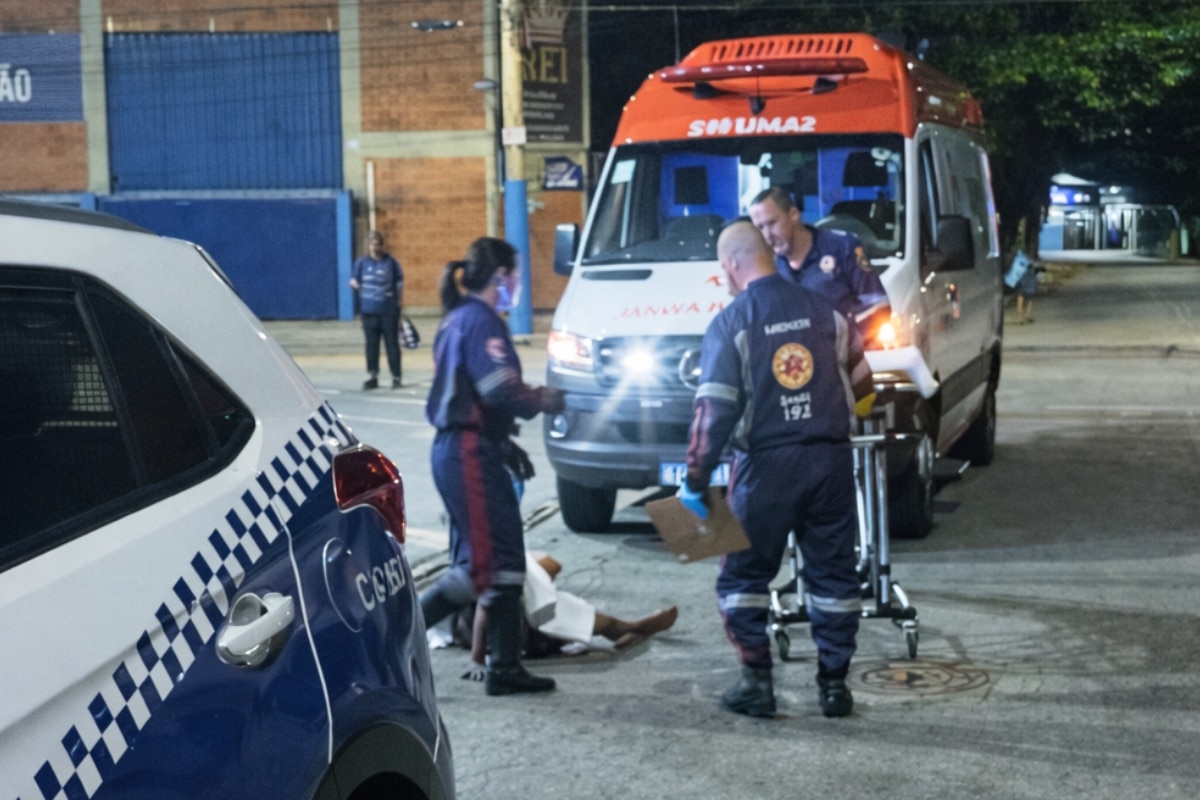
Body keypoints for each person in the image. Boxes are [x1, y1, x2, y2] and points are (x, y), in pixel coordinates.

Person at [677, 221, 875, 719]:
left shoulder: (732, 323)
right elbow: (865, 386)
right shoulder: (826, 310)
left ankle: (757, 682)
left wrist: (695, 481)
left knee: (743, 576)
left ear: (730, 265)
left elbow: (713, 414)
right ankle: (834, 687)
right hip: (830, 461)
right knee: (833, 575)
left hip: (766, 468)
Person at [419, 237, 566, 696]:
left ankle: (505, 667)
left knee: (502, 564)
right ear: (501, 277)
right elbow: (501, 389)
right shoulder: (481, 322)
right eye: (516, 276)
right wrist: (545, 399)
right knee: (484, 565)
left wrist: (502, 443)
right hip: (466, 453)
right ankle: (391, 636)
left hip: (472, 450)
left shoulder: (460, 318)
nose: (519, 284)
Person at [454, 553, 680, 680]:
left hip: (508, 616)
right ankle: (634, 627)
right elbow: (488, 599)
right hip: (496, 621)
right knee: (569, 612)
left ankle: (633, 628)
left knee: (566, 607)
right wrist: (477, 660)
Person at [747, 187, 887, 320]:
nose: (767, 235)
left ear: (793, 215)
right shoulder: (767, 265)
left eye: (771, 223)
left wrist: (845, 337)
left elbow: (877, 305)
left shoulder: (843, 247)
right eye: (760, 228)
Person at [349, 230, 404, 390]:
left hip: (388, 311)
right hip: (368, 312)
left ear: (381, 245)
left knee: (392, 344)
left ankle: (396, 376)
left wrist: (399, 304)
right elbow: (354, 279)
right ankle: (372, 376)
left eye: (377, 244)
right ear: (369, 245)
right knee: (371, 345)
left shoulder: (391, 263)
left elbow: (399, 283)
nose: (374, 247)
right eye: (372, 244)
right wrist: (355, 285)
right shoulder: (362, 263)